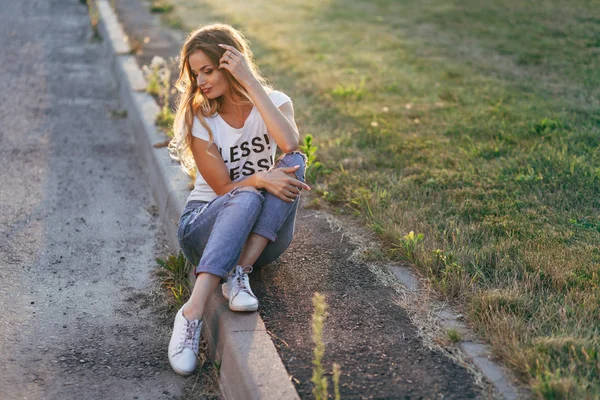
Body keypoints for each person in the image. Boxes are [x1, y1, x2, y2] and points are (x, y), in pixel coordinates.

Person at [166, 23, 310, 376]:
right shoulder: (202, 117)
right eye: (196, 73)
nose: (201, 81)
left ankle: (239, 273)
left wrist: (250, 82)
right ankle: (191, 313)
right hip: (204, 229)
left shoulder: (275, 102)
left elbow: (290, 144)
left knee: (294, 163)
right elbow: (220, 188)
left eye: (209, 70)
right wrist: (260, 178)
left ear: (231, 63)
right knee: (245, 195)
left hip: (262, 242)